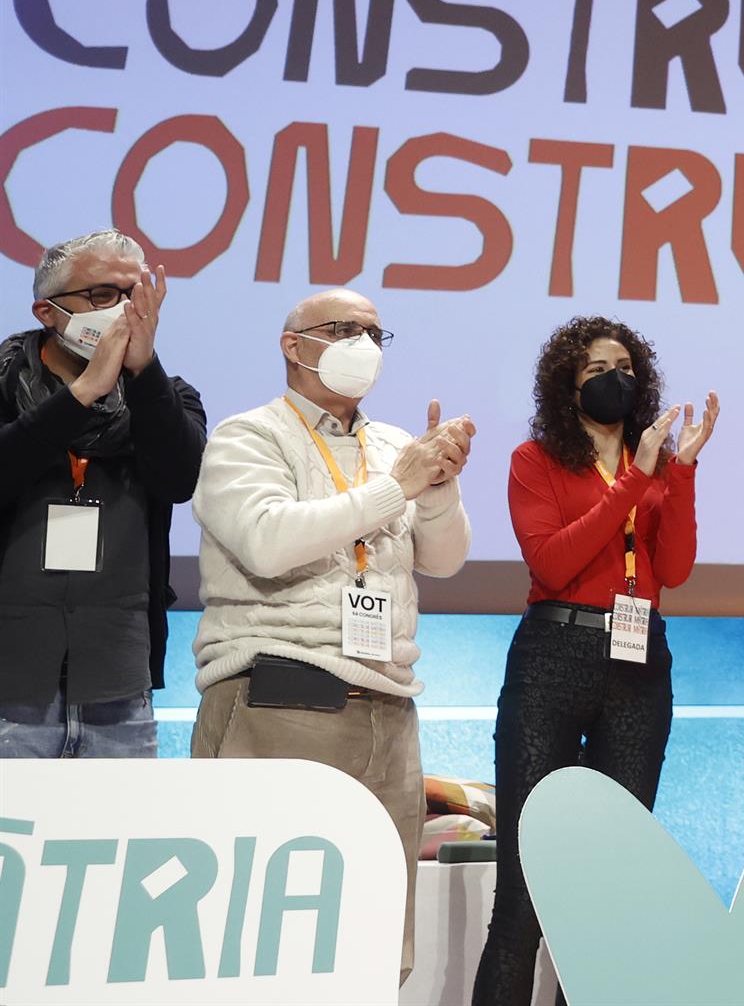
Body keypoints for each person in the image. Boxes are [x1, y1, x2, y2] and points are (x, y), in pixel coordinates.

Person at [190, 287, 475, 982]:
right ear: (294, 346)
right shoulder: (248, 436)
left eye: (375, 333)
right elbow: (267, 541)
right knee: (258, 938)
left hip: (387, 706)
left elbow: (444, 561)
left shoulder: (394, 446)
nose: (363, 346)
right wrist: (397, 489)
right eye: (344, 329)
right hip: (281, 695)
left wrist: (438, 489)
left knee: (376, 940)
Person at [474, 316, 717, 1006]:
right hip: (553, 657)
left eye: (626, 368)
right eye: (597, 370)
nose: (616, 379)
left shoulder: (659, 465)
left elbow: (675, 568)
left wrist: (681, 472)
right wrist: (635, 480)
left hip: (639, 666)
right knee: (523, 894)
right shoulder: (536, 460)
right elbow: (554, 563)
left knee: (613, 889)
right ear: (567, 386)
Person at [0, 229, 205, 758]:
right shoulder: (3, 389)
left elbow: (179, 480)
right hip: (10, 678)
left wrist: (142, 372)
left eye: (133, 294)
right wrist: (84, 392)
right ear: (47, 312)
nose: (122, 309)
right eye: (101, 295)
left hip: (117, 680)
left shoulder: (166, 396)